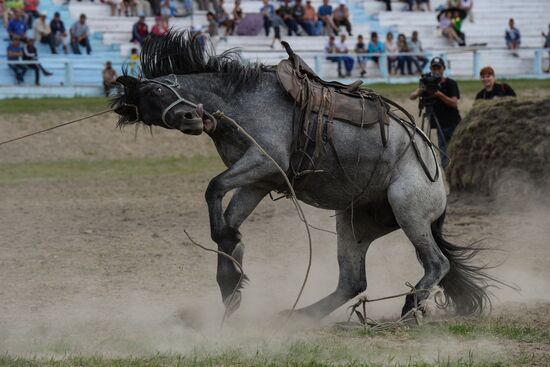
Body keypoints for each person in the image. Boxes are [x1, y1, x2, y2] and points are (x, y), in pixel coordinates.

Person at [409, 57, 461, 167]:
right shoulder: (427, 83)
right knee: (443, 151)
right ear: (431, 69)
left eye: (439, 68)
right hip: (440, 125)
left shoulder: (451, 83)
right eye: (434, 68)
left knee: (457, 150)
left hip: (453, 123)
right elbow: (411, 97)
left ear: (444, 68)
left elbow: (454, 103)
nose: (436, 70)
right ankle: (446, 169)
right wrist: (420, 91)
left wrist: (439, 95)